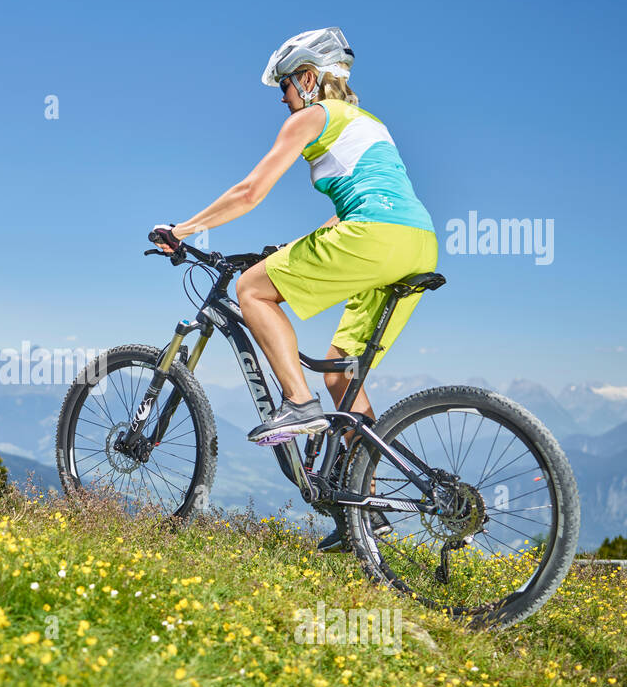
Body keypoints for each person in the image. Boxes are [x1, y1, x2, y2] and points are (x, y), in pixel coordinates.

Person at [149, 28, 437, 550]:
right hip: (417, 242)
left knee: (253, 289)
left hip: (373, 236)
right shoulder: (370, 124)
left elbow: (250, 191)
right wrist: (286, 249)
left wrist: (183, 229)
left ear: (309, 78)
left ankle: (296, 404)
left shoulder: (313, 116)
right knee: (342, 374)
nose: (283, 98)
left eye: (285, 84)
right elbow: (363, 206)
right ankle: (363, 518)